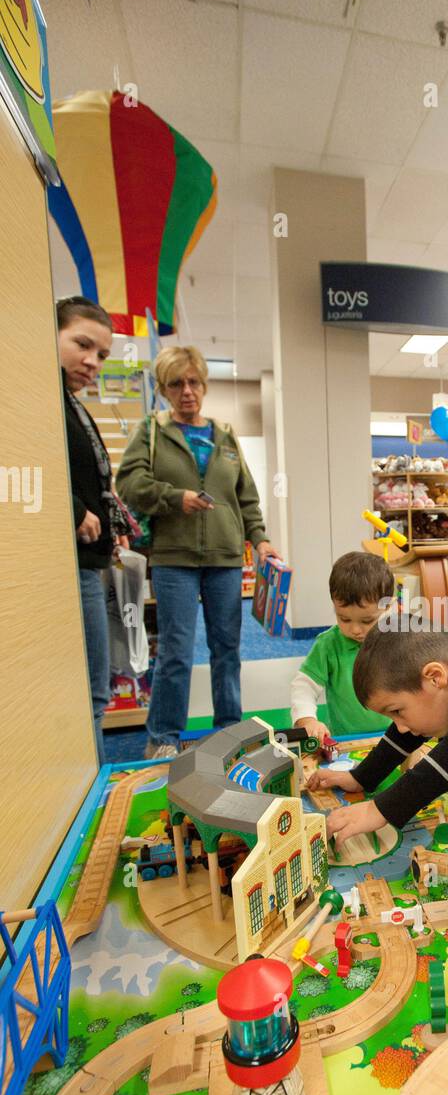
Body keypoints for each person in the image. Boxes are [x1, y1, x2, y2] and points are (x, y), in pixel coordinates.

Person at [116, 346, 279, 759]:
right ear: (164, 389)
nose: (187, 391)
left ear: (203, 384)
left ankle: (229, 730)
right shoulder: (151, 432)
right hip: (174, 558)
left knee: (227, 649)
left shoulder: (225, 436)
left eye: (193, 382)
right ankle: (164, 736)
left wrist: (260, 538)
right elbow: (128, 484)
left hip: (225, 557)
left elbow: (246, 497)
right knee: (175, 650)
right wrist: (174, 497)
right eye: (176, 383)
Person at [308, 619, 448, 843]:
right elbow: (414, 722)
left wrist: (381, 809)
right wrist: (363, 776)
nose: (401, 726)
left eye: (397, 711)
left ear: (435, 677)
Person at [58, 296, 131, 766]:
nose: (92, 361)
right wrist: (75, 508)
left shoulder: (70, 404)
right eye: (82, 345)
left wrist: (110, 515)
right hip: (74, 566)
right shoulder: (39, 406)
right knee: (91, 688)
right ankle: (91, 782)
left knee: (94, 685)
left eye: (102, 354)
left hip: (92, 560)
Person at [290, 552, 395, 745]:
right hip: (346, 741)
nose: (355, 630)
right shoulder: (329, 644)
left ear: (388, 607)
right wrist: (307, 718)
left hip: (396, 738)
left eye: (367, 620)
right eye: (344, 619)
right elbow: (304, 685)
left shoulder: (398, 638)